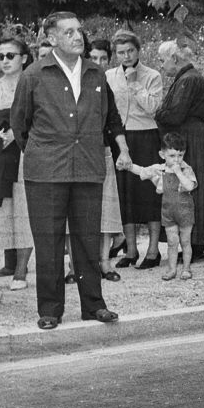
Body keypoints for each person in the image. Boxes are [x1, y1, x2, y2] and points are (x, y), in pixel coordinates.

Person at [8, 11, 131, 329]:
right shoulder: (34, 75)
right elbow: (20, 126)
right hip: (46, 172)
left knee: (88, 240)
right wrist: (45, 152)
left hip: (88, 169)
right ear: (51, 38)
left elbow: (109, 116)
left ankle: (94, 306)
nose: (78, 37)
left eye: (79, 31)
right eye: (69, 32)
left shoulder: (96, 74)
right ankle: (50, 309)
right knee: (48, 241)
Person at [154, 39, 204, 260]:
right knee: (196, 188)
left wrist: (159, 112)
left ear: (175, 59)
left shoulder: (188, 80)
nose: (162, 66)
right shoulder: (188, 78)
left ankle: (198, 242)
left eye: (163, 61)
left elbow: (174, 113)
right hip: (192, 136)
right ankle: (199, 241)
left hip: (192, 138)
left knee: (193, 188)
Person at [0, 37, 35, 292]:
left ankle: (21, 272)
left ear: (24, 57)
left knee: (24, 214)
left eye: (10, 56)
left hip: (25, 157)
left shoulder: (34, 85)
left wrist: (16, 132)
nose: (4, 61)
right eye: (0, 56)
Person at [106, 30, 163, 269]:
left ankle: (153, 250)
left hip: (146, 136)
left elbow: (153, 108)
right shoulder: (108, 75)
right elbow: (108, 110)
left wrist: (135, 83)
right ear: (115, 54)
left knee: (149, 194)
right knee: (125, 194)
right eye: (121, 52)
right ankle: (130, 250)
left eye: (130, 51)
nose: (126, 56)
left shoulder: (152, 75)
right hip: (121, 138)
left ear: (138, 50)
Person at [130, 131, 199, 280]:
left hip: (185, 210)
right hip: (168, 211)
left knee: (185, 241)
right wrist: (128, 166)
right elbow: (142, 171)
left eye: (180, 156)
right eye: (172, 156)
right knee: (172, 241)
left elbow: (189, 186)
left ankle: (186, 269)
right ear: (163, 155)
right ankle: (172, 269)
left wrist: (178, 172)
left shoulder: (186, 169)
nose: (177, 160)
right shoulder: (159, 169)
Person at [87, 39, 125, 281]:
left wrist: (124, 149)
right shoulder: (74, 83)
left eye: (103, 59)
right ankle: (77, 266)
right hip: (79, 154)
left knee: (106, 209)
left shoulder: (104, 85)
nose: (98, 63)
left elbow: (114, 119)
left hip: (102, 152)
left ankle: (104, 261)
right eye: (94, 58)